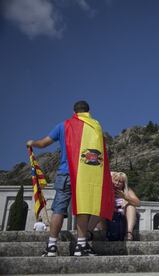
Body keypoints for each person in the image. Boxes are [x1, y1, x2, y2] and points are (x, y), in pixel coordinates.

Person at [27, 100, 114, 257]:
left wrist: (32, 143)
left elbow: (43, 143)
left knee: (59, 209)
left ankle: (52, 246)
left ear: (74, 111)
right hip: (85, 173)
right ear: (88, 111)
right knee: (83, 208)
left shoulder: (63, 125)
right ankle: (81, 246)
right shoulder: (95, 127)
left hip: (65, 173)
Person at [110, 172, 140, 240]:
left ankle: (129, 233)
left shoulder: (127, 190)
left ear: (124, 184)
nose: (117, 183)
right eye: (115, 180)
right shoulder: (107, 189)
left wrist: (125, 197)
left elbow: (138, 203)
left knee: (131, 206)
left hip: (123, 215)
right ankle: (91, 232)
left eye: (120, 182)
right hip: (110, 215)